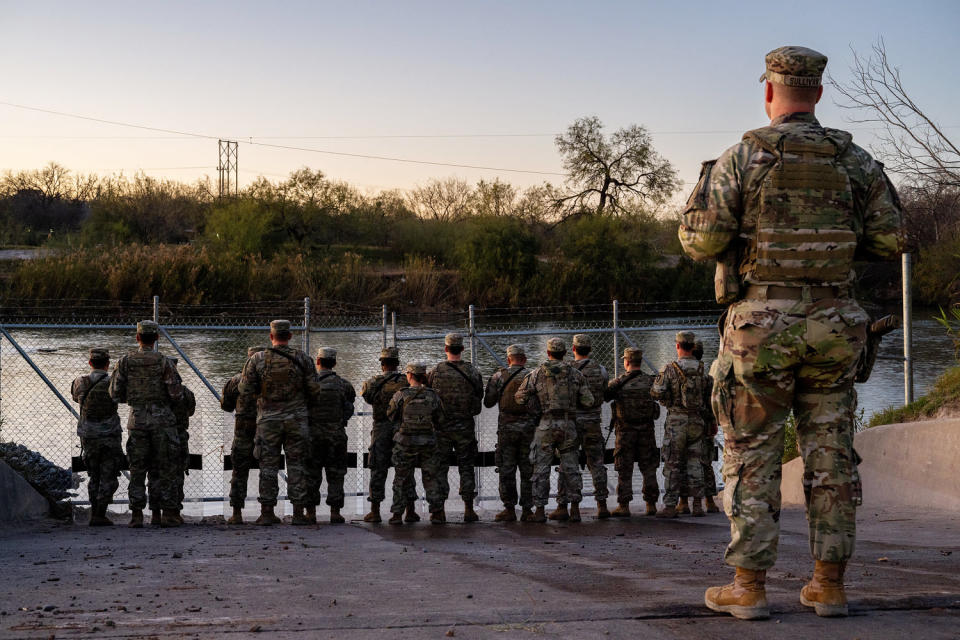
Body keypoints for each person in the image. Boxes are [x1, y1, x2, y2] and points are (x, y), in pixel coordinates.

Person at [679, 46, 903, 619]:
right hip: (834, 328)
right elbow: (890, 241)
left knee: (751, 454)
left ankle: (748, 588)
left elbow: (701, 240)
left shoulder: (741, 158)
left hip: (760, 328)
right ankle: (829, 584)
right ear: (819, 94)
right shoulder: (857, 162)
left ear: (770, 93)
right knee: (830, 454)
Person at [237, 319, 321, 526]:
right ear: (290, 336)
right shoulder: (304, 359)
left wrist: (262, 397)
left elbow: (244, 391)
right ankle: (299, 513)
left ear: (271, 336)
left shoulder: (257, 359)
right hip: (297, 419)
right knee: (297, 465)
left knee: (267, 466)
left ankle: (267, 512)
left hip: (268, 420)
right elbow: (315, 391)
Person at [109, 320, 185, 528]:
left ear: (137, 338)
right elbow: (176, 394)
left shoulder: (125, 362)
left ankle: (136, 515)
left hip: (138, 420)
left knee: (138, 468)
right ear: (157, 338)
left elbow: (114, 393)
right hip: (162, 421)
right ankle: (167, 513)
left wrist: (134, 399)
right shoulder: (164, 362)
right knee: (165, 467)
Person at [514, 337, 594, 523]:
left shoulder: (536, 374)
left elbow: (520, 397)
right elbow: (589, 401)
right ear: (565, 353)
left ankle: (540, 510)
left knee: (541, 468)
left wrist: (535, 404)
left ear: (548, 353)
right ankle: (574, 509)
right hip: (568, 425)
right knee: (571, 467)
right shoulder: (575, 374)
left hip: (546, 424)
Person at [651, 331, 709, 519]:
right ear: (693, 347)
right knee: (695, 462)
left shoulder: (670, 368)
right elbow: (709, 394)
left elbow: (656, 392)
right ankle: (698, 505)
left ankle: (670, 505)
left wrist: (668, 399)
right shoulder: (702, 369)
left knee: (673, 462)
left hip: (677, 420)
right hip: (697, 420)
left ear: (677, 346)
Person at [427, 333, 483, 522]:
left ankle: (439, 511)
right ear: (462, 349)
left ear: (446, 349)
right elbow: (479, 395)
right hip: (465, 427)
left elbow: (428, 394)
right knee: (466, 467)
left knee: (439, 468)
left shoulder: (435, 371)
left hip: (441, 427)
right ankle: (468, 509)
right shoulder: (472, 371)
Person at [553, 334, 610, 520]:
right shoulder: (601, 370)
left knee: (567, 463)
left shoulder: (566, 369)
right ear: (590, 349)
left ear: (573, 349)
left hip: (572, 422)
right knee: (597, 463)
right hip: (593, 421)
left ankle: (566, 506)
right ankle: (602, 505)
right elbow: (604, 391)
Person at [360, 347, 418, 523]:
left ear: (382, 364)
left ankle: (375, 511)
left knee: (378, 469)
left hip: (381, 428)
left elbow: (368, 398)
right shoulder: (406, 383)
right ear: (397, 363)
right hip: (402, 429)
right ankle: (409, 511)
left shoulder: (373, 383)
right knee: (405, 469)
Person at [386, 362, 446, 524]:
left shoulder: (401, 394)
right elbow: (440, 419)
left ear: (410, 375)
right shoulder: (432, 395)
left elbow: (390, 415)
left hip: (405, 441)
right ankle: (437, 513)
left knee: (401, 478)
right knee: (430, 476)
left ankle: (397, 514)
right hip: (428, 441)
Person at [604, 347, 660, 517]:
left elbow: (605, 396)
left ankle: (624, 505)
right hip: (646, 431)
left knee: (624, 468)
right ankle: (651, 504)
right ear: (640, 362)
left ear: (626, 362)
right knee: (649, 467)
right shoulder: (651, 381)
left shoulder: (618, 383)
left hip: (625, 432)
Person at [70, 348, 123, 527]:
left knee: (94, 475)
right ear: (107, 364)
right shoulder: (113, 383)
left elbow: (76, 398)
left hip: (89, 436)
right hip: (110, 436)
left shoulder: (80, 381)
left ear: (90, 363)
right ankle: (101, 512)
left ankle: (94, 512)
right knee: (109, 475)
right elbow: (120, 398)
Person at [483, 344, 536, 522]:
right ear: (525, 359)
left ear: (508, 359)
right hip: (529, 430)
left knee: (507, 469)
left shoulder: (499, 376)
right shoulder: (533, 376)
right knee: (528, 469)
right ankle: (528, 509)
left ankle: (509, 508)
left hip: (506, 429)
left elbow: (488, 402)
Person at [305, 347, 356, 525]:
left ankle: (310, 513)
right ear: (334, 363)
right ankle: (335, 512)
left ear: (317, 362)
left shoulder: (309, 384)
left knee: (311, 473)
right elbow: (350, 406)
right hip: (336, 435)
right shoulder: (343, 385)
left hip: (313, 436)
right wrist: (340, 420)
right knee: (336, 473)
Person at [220, 346, 265, 525]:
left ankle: (236, 513)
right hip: (265, 429)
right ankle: (266, 511)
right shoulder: (270, 382)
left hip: (243, 431)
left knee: (239, 471)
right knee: (267, 470)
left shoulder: (236, 381)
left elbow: (226, 406)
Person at [150, 360, 195, 526]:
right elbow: (190, 411)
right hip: (179, 436)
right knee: (177, 474)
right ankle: (174, 511)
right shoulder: (185, 393)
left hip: (156, 436)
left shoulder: (155, 394)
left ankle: (155, 513)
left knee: (154, 473)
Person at [678, 340, 720, 515]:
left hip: (682, 422)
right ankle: (709, 501)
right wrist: (712, 422)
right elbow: (712, 402)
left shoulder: (678, 371)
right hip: (703, 421)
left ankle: (683, 502)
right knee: (705, 462)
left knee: (682, 461)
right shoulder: (706, 376)